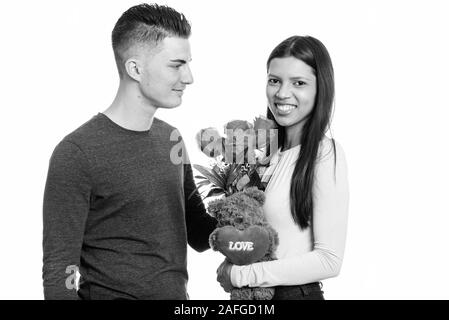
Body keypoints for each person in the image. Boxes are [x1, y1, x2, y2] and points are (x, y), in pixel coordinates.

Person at [43, 3, 217, 300]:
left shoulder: (171, 138)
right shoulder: (76, 152)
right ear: (135, 68)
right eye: (176, 65)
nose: (189, 78)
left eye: (188, 63)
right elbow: (60, 269)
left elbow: (200, 235)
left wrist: (250, 191)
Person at [216, 35, 349, 300]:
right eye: (274, 80)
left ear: (320, 89)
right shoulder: (266, 155)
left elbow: (329, 260)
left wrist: (240, 276)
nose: (282, 93)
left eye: (298, 83)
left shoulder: (324, 153)